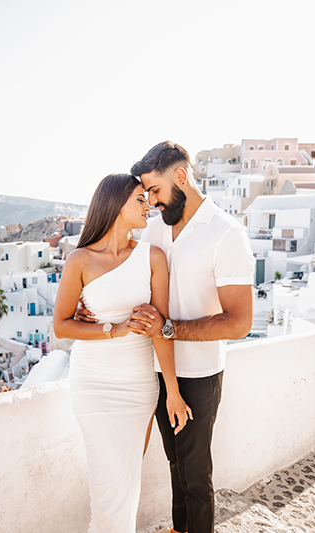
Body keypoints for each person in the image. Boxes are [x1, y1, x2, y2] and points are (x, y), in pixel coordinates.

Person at [78, 142, 255, 533]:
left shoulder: (227, 235)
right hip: (151, 368)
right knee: (175, 463)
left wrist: (170, 327)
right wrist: (91, 307)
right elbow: (119, 274)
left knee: (195, 474)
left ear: (181, 176)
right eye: (145, 194)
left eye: (154, 190)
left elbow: (239, 322)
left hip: (199, 373)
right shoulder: (152, 226)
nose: (151, 201)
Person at [53, 173, 192, 533]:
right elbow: (62, 326)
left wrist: (172, 393)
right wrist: (113, 329)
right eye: (139, 200)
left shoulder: (153, 257)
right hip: (92, 385)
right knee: (107, 484)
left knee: (126, 483)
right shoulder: (79, 261)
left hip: (138, 386)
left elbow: (161, 329)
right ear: (115, 205)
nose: (149, 206)